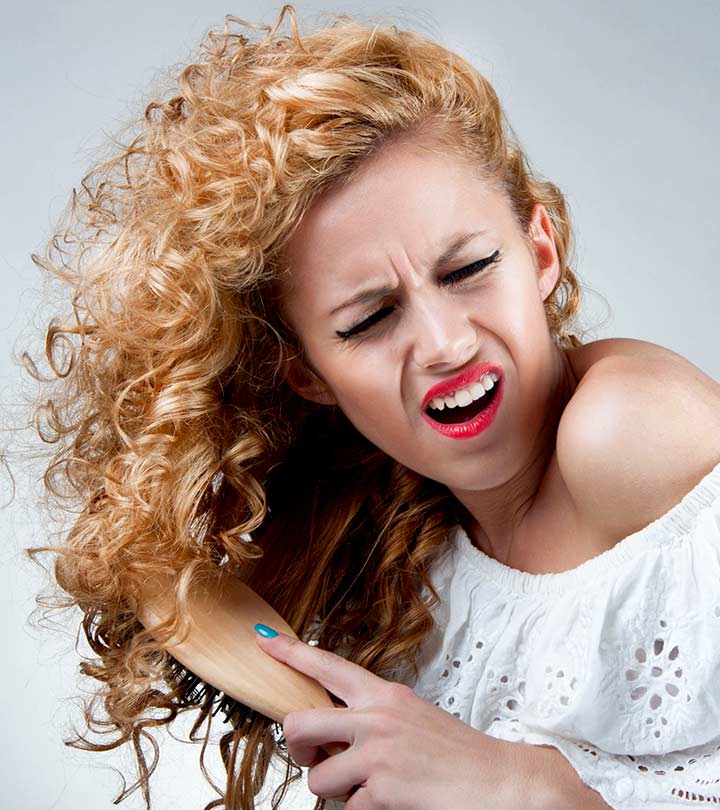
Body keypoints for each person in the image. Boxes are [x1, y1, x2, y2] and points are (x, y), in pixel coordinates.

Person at [24, 5, 720, 810]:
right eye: (369, 320)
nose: (444, 344)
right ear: (308, 375)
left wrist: (517, 784)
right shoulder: (405, 546)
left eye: (467, 270)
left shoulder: (629, 434)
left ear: (539, 252)